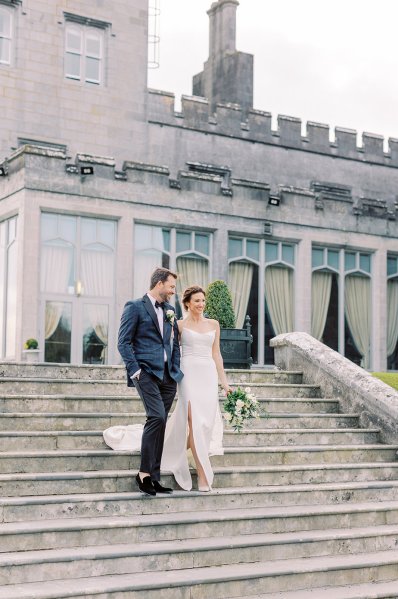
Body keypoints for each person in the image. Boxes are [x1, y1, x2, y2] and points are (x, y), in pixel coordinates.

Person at [117, 267, 183, 496]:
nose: (174, 291)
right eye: (171, 287)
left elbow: (174, 342)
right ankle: (143, 473)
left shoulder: (170, 310)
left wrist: (175, 367)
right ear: (159, 284)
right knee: (156, 416)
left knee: (162, 422)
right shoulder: (134, 307)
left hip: (168, 376)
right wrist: (135, 371)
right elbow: (123, 342)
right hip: (145, 373)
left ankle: (155, 477)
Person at [161, 285, 232, 491]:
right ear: (187, 304)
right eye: (197, 301)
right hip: (188, 373)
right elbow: (171, 351)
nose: (201, 305)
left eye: (203, 301)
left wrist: (224, 383)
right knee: (193, 420)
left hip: (208, 374)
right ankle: (202, 474)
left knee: (205, 424)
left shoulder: (214, 324)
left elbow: (216, 354)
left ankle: (170, 448)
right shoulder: (179, 325)